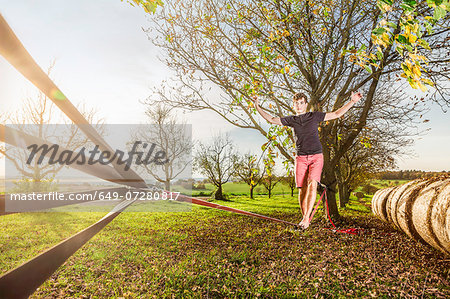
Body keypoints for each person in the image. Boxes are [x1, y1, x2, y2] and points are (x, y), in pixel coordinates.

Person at [253, 91, 362, 229]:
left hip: (316, 156)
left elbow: (336, 114)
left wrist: (352, 102)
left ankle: (306, 219)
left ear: (305, 104)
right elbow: (272, 119)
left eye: (301, 103)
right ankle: (305, 219)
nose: (299, 106)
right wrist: (257, 106)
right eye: (296, 104)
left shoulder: (314, 116)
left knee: (312, 183)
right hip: (301, 158)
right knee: (302, 190)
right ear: (294, 105)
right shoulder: (292, 120)